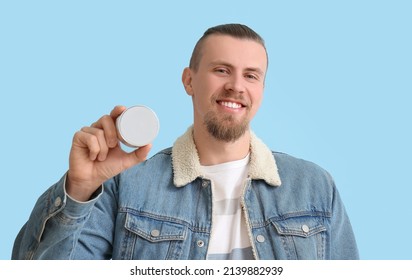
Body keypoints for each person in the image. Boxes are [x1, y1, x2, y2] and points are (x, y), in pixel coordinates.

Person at [12, 23, 359, 260]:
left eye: (251, 75)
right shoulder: (124, 187)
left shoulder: (315, 188)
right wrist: (79, 190)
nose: (237, 86)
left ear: (261, 90)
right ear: (189, 80)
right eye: (221, 70)